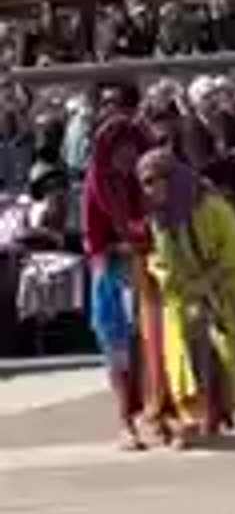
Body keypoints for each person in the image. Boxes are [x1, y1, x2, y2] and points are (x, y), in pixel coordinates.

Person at [137, 148, 235, 449]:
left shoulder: (210, 207)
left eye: (155, 181)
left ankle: (212, 414)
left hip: (222, 287)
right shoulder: (159, 218)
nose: (151, 190)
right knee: (184, 355)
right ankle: (190, 417)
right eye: (145, 183)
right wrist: (171, 279)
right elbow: (162, 259)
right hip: (182, 294)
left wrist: (209, 281)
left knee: (219, 355)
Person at [82, 117, 166, 450]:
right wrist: (126, 244)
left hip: (146, 267)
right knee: (117, 347)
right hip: (111, 270)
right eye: (120, 152)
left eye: (133, 151)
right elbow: (97, 238)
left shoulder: (143, 180)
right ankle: (124, 422)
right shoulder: (97, 183)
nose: (127, 159)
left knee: (150, 345)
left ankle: (154, 414)